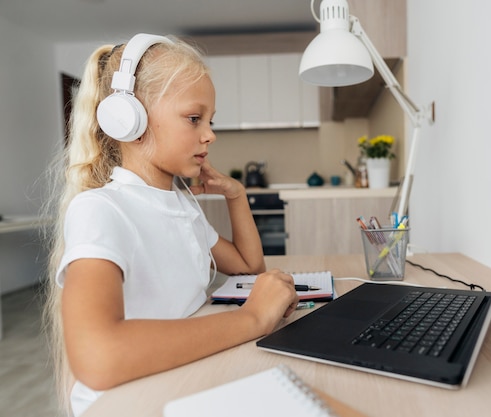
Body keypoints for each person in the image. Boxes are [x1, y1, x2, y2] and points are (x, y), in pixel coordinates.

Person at [42, 33, 300, 416]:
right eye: (194, 118)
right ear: (130, 118)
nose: (210, 133)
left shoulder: (181, 205)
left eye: (210, 121)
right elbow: (98, 357)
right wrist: (251, 318)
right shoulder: (101, 210)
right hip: (129, 403)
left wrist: (236, 196)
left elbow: (248, 266)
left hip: (179, 380)